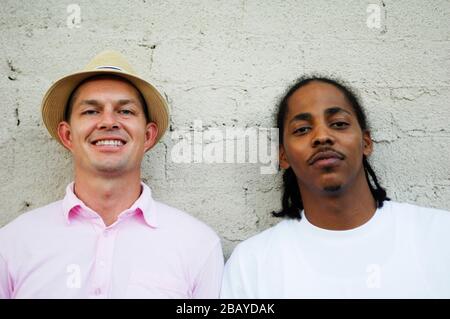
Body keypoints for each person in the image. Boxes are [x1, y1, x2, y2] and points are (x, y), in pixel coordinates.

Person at [0, 51, 223, 299]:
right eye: (91, 111)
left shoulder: (197, 245)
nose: (108, 122)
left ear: (148, 136)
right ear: (68, 135)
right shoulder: (13, 245)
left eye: (125, 111)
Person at [220, 76, 450, 298]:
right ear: (283, 156)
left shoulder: (440, 237)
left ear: (366, 142)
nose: (322, 136)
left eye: (339, 124)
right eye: (301, 129)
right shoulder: (252, 265)